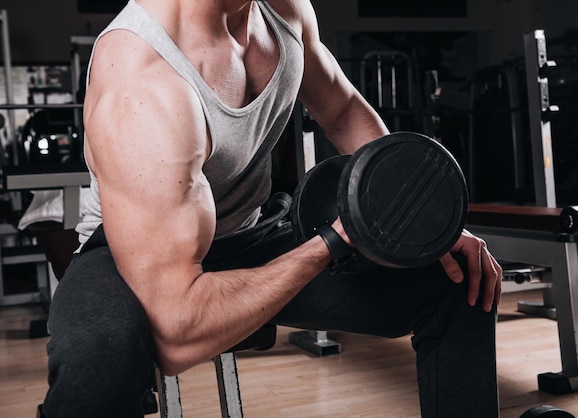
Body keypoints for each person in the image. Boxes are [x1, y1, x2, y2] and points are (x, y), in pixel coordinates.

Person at [41, 0, 503, 417]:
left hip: (249, 232)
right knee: (99, 359)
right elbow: (179, 332)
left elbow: (342, 111)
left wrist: (416, 217)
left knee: (459, 276)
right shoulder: (142, 75)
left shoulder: (285, 12)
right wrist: (331, 244)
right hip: (131, 252)